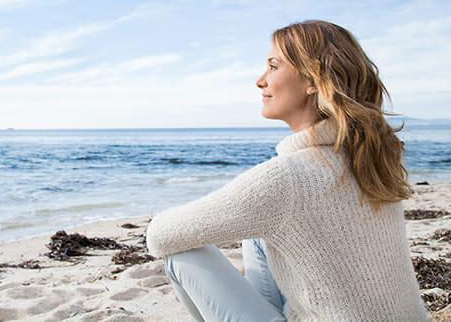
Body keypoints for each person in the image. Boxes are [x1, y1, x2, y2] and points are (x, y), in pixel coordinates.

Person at [146, 20, 428, 321]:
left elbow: (159, 236)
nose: (260, 80)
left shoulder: (287, 179)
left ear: (312, 81)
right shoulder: (369, 157)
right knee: (258, 235)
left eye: (273, 66)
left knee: (182, 254)